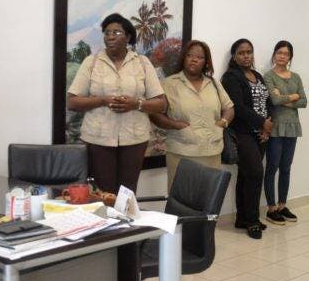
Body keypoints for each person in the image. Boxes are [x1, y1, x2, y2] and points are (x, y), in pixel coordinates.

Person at [67, 13, 167, 193]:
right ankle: (105, 222)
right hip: (98, 139)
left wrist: (136, 104)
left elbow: (161, 104)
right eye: (107, 32)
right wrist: (102, 100)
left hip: (134, 139)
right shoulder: (92, 62)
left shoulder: (142, 63)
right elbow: (72, 102)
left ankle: (126, 221)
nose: (110, 36)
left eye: (117, 32)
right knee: (102, 192)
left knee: (127, 193)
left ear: (128, 37)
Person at [149, 40, 234, 190]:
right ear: (183, 58)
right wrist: (175, 125)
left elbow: (229, 108)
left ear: (206, 62)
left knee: (208, 200)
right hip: (182, 152)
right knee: (181, 199)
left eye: (199, 57)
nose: (194, 59)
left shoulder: (214, 83)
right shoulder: (168, 83)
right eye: (189, 55)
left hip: (212, 152)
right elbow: (154, 114)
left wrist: (222, 123)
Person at [222, 39, 273, 239]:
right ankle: (252, 221)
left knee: (245, 175)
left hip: (260, 133)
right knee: (255, 173)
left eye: (249, 52)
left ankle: (242, 217)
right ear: (234, 56)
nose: (246, 56)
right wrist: (262, 123)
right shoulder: (231, 77)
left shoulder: (257, 75)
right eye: (242, 52)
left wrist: (267, 124)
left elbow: (267, 101)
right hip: (242, 132)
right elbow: (238, 107)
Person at [263, 40, 307, 225]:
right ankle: (271, 208)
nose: (282, 56)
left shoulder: (296, 77)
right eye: (279, 52)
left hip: (292, 126)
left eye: (286, 54)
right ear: (274, 54)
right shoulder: (268, 76)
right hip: (276, 126)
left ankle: (282, 205)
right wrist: (293, 96)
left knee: (286, 168)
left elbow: (304, 101)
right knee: (272, 167)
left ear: (290, 57)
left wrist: (286, 98)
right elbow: (274, 100)